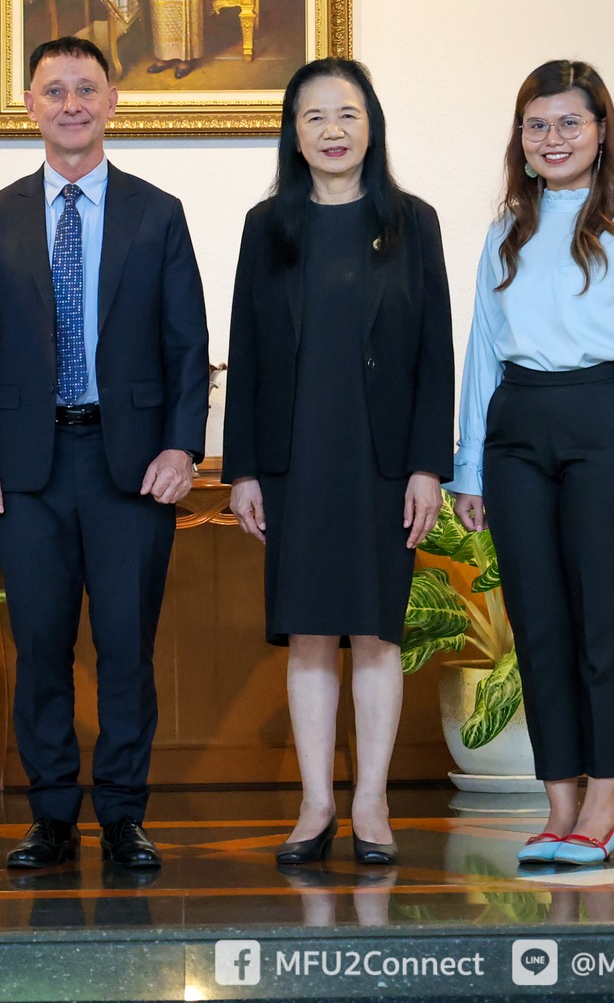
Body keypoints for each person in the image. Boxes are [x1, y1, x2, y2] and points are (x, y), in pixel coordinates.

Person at [0, 35, 211, 871]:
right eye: (54, 89)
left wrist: (183, 445)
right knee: (41, 647)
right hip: (28, 469)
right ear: (30, 104)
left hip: (131, 465)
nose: (71, 103)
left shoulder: (157, 212)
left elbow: (187, 345)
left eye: (86, 89)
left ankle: (125, 814)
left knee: (128, 646)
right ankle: (53, 813)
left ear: (112, 102)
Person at [450, 59, 614, 868]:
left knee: (605, 627)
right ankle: (557, 807)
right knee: (538, 626)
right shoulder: (503, 231)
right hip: (517, 429)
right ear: (520, 137)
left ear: (601, 130)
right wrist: (468, 468)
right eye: (536, 125)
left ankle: (602, 809)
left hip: (604, 426)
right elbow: (481, 351)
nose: (552, 139)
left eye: (568, 123)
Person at [223, 59, 453, 867]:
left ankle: (372, 801)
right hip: (295, 459)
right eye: (314, 115)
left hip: (384, 461)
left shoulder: (413, 223)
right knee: (310, 635)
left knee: (376, 633)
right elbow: (245, 354)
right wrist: (242, 469)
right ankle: (317, 803)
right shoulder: (267, 225)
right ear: (293, 131)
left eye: (347, 114)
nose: (331, 130)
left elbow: (436, 356)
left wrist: (430, 465)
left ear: (372, 125)